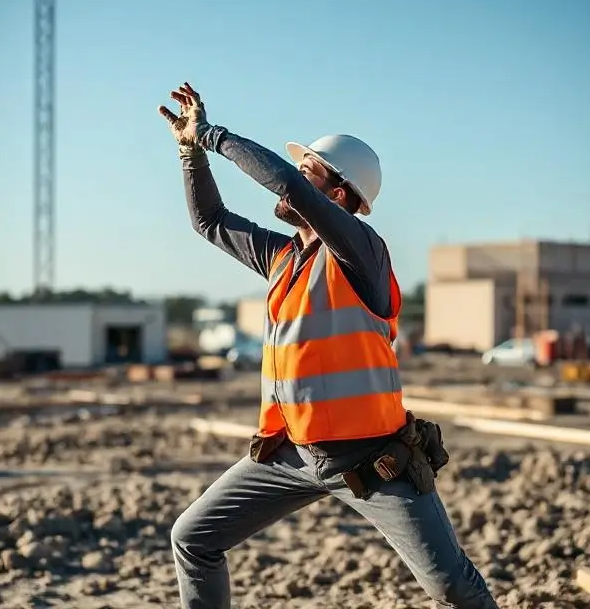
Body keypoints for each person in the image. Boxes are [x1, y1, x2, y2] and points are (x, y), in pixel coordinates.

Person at [158, 82, 499, 609]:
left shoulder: (363, 254)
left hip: (372, 459)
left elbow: (291, 186)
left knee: (450, 584)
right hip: (291, 453)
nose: (287, 188)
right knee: (193, 539)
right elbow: (210, 221)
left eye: (311, 169)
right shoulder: (284, 257)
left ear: (336, 195)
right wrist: (189, 152)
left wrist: (213, 136)